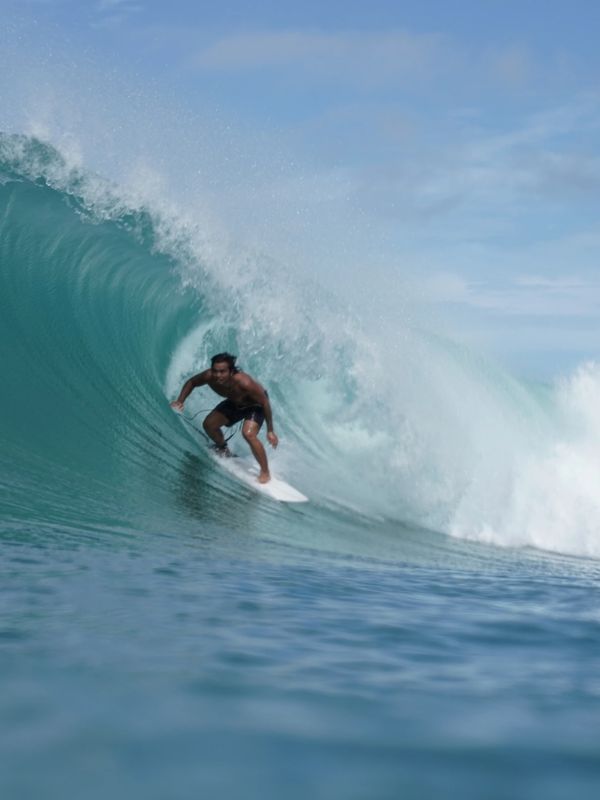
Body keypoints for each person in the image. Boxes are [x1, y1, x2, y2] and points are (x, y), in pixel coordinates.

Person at [170, 353, 278, 484]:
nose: (218, 375)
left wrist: (270, 430)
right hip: (234, 403)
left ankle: (265, 472)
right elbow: (192, 382)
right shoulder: (208, 376)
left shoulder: (245, 382)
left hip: (255, 406)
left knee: (248, 434)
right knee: (209, 425)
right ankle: (222, 448)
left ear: (231, 371)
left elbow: (265, 402)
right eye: (215, 371)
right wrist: (180, 401)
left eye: (222, 372)